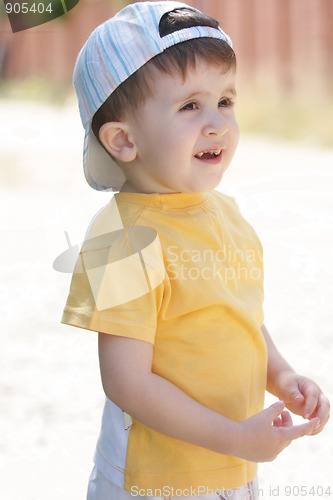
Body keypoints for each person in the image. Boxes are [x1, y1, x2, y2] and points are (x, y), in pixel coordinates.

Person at [61, 2, 330, 499]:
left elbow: (236, 315)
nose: (218, 123)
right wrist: (237, 437)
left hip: (232, 464)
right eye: (190, 106)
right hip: (158, 479)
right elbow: (127, 383)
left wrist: (282, 373)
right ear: (123, 139)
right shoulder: (123, 236)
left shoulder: (224, 213)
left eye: (226, 100)